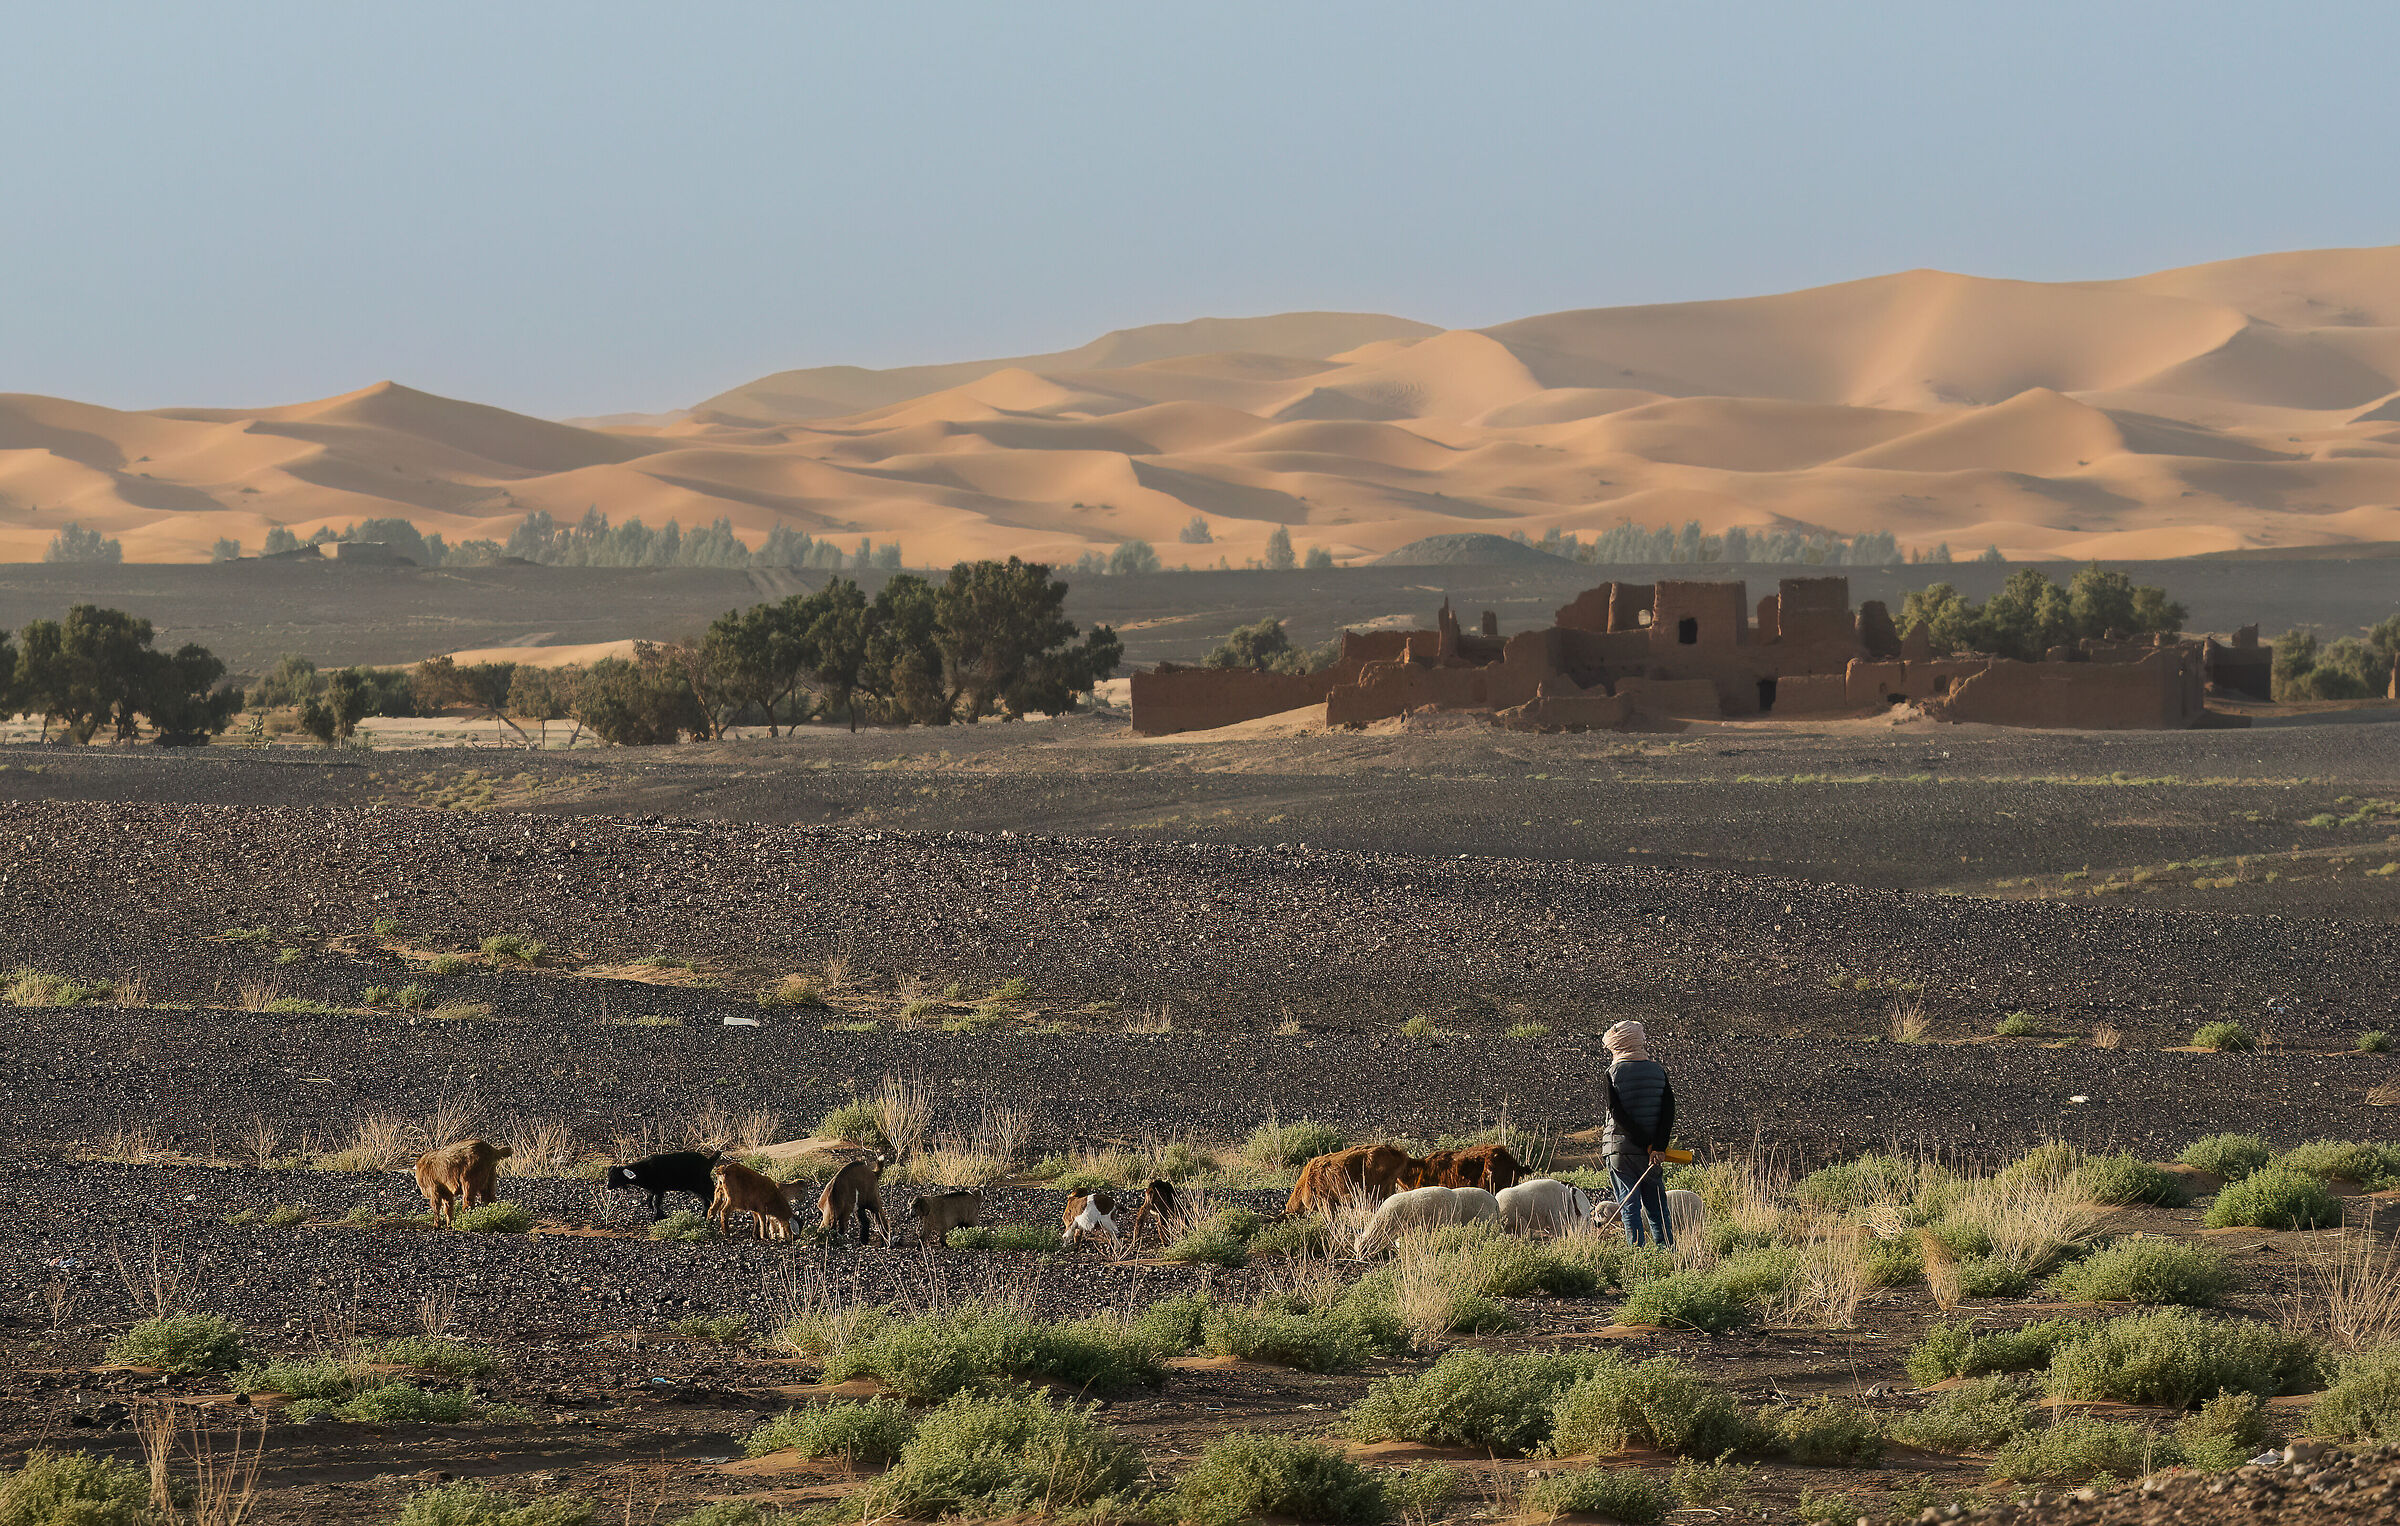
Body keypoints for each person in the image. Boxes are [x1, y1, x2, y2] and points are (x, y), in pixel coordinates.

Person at [1602, 1019, 1677, 1247]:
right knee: (1657, 1206)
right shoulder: (1657, 1071)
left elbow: (1617, 1113)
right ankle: (1667, 1253)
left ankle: (1638, 1255)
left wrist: (1644, 1142)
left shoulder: (1613, 1072)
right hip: (1652, 1153)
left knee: (1629, 1206)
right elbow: (1668, 1109)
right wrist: (1657, 1146)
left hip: (1620, 1150)